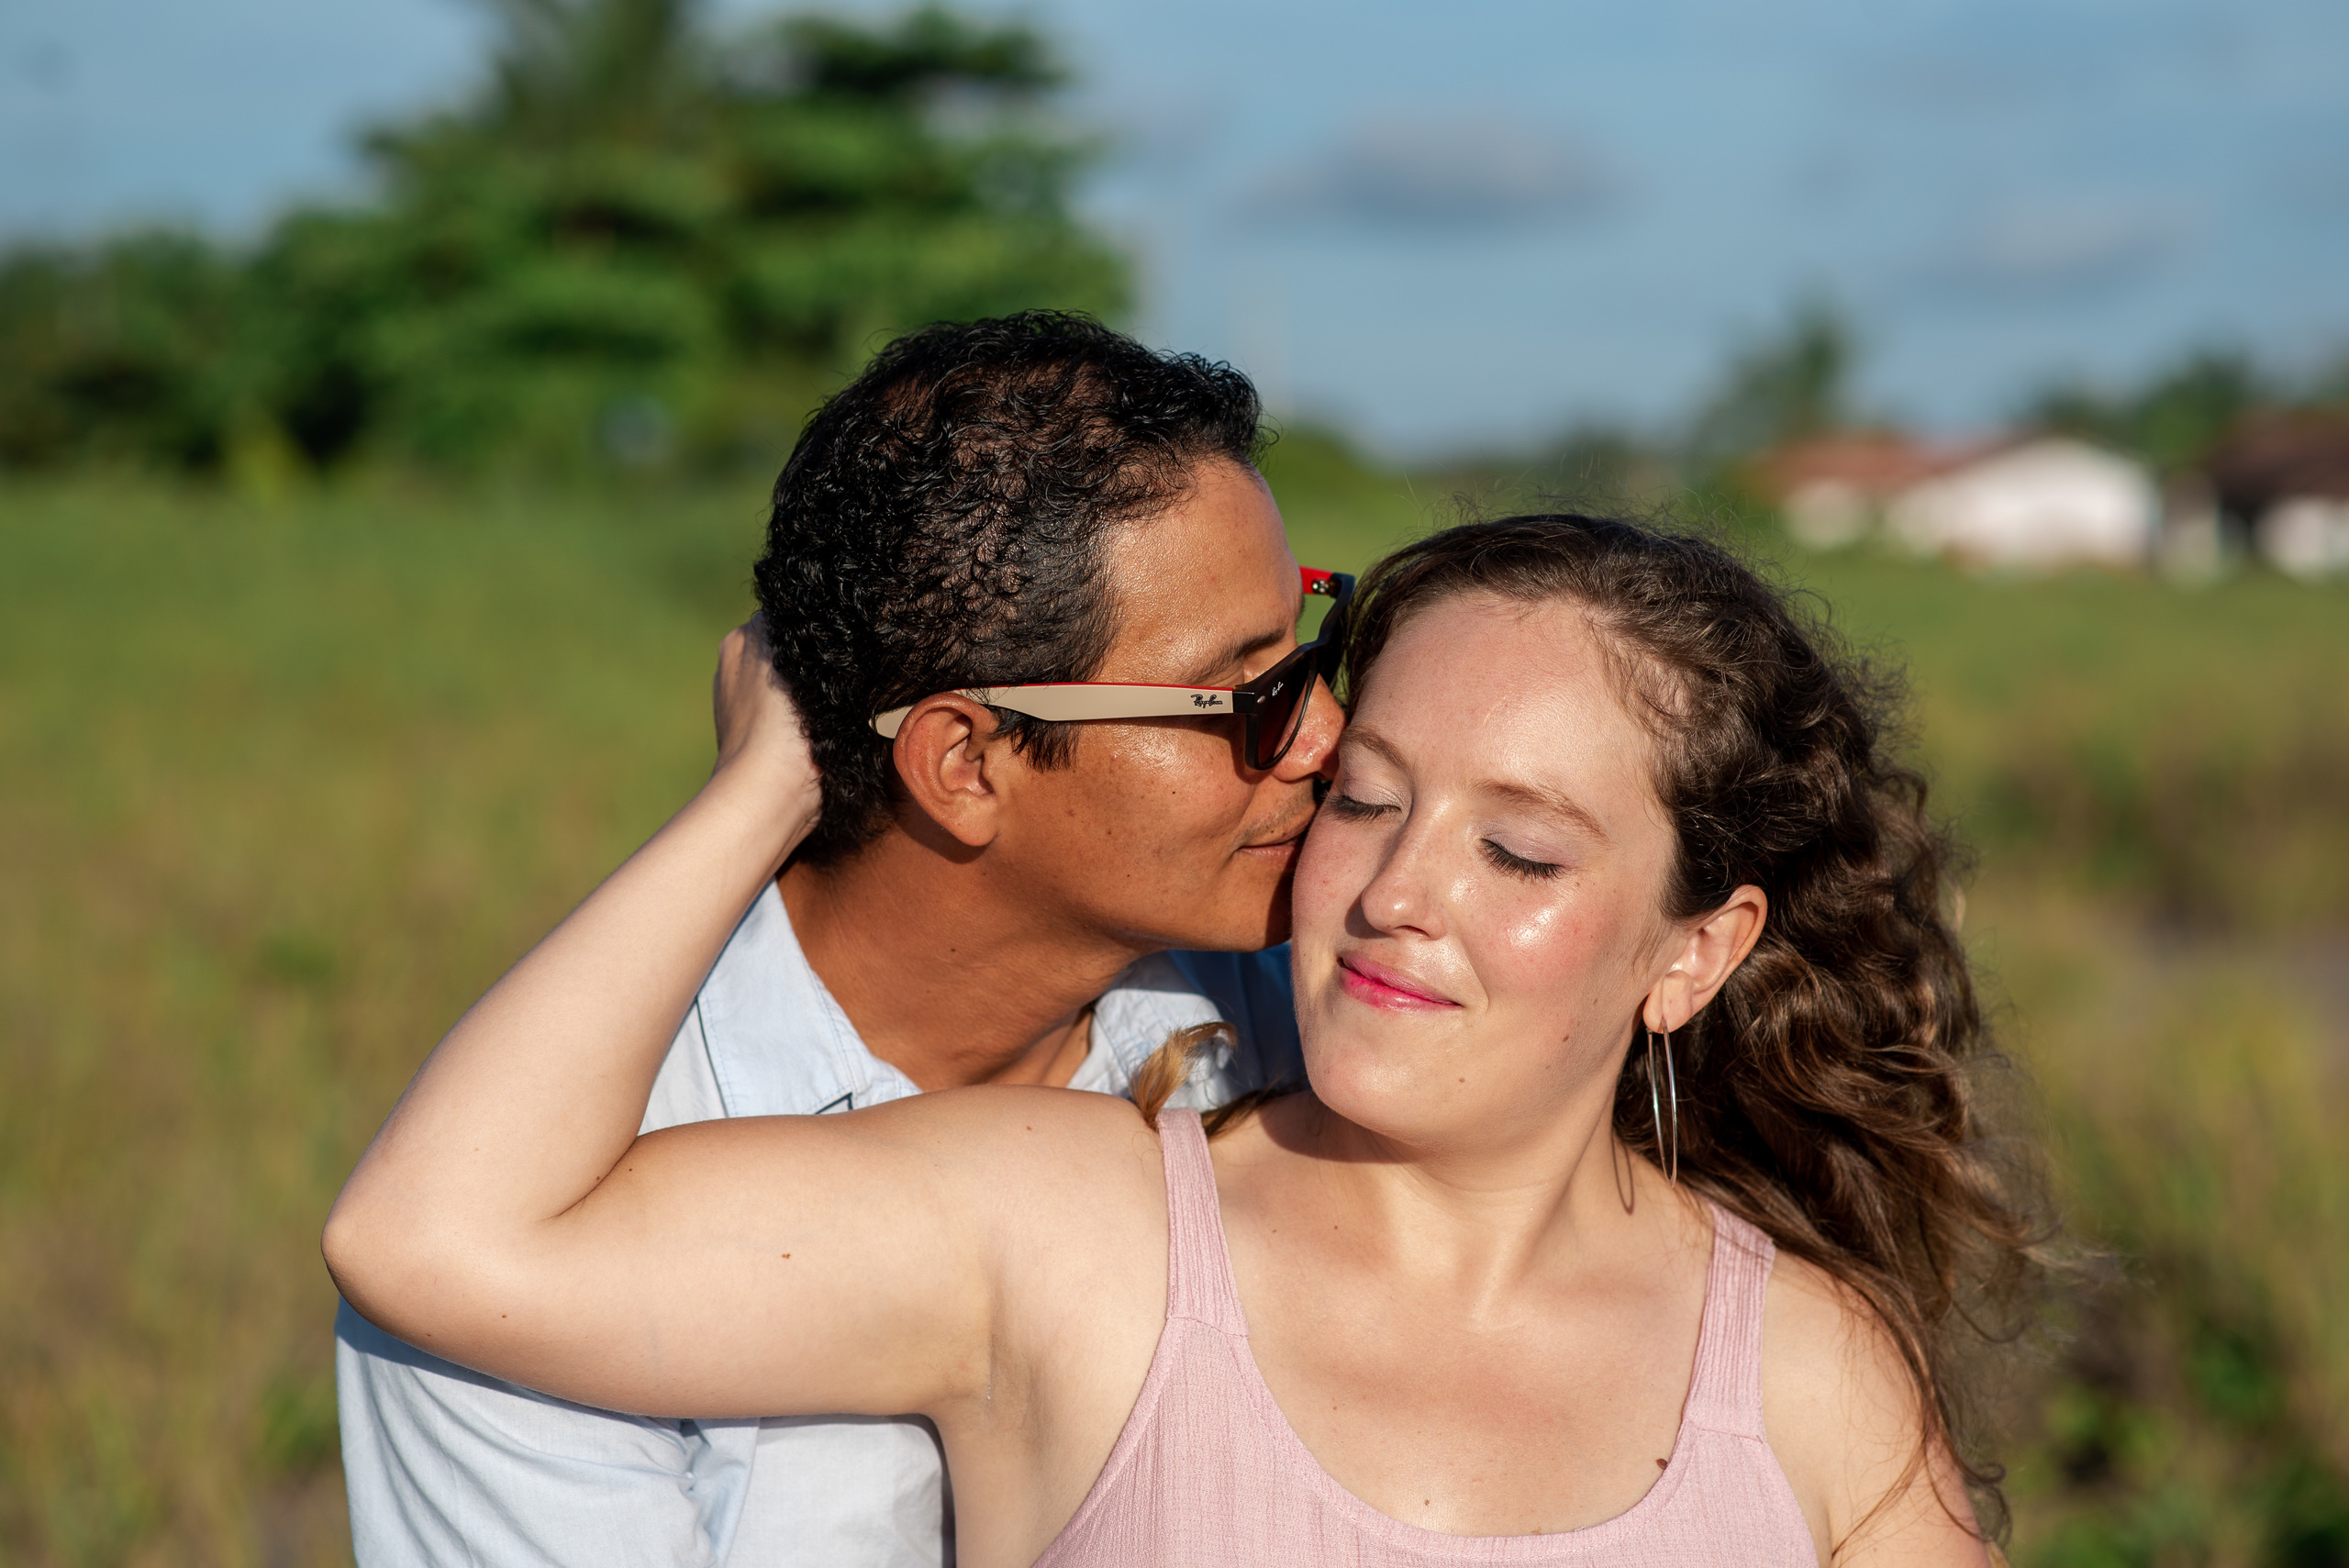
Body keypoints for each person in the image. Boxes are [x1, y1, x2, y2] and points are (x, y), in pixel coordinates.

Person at [327, 515, 2043, 1567]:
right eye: (1362, 800)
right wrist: (774, 777)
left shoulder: (1802, 1374)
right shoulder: (1073, 1227)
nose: (1391, 894)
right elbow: (426, 1235)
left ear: (1697, 950)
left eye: (1518, 852)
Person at [331, 313, 1347, 1566]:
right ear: (964, 761)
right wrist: (756, 796)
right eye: (1249, 696)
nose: (1323, 734)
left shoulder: (1310, 1027)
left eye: (1314, 652)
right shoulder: (542, 1196)